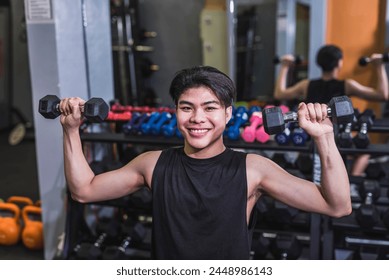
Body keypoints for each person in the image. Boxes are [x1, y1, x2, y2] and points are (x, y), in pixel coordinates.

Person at [60, 65, 351, 260]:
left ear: (227, 115)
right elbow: (84, 190)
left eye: (210, 108)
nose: (197, 118)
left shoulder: (253, 170)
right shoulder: (151, 164)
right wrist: (71, 130)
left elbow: (337, 205)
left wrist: (324, 137)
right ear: (175, 112)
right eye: (187, 108)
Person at [274, 44, 389, 176]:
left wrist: (284, 66)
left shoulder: (306, 85)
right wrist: (379, 66)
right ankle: (352, 183)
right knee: (365, 153)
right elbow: (382, 95)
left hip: (311, 139)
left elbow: (280, 93)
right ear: (339, 63)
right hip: (338, 140)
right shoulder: (346, 85)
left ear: (319, 63)